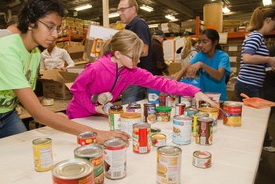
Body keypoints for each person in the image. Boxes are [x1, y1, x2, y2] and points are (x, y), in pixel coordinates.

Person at [0, 0, 129, 144]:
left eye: (58, 28)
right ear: (30, 22)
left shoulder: (34, 53)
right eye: (49, 27)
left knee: (23, 153)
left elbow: (27, 97)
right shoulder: (6, 51)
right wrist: (96, 134)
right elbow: (37, 114)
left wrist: (48, 114)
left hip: (7, 115)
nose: (55, 34)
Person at [66, 30, 217, 119]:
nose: (138, 61)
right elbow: (76, 89)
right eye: (134, 57)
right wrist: (92, 108)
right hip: (79, 115)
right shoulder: (96, 68)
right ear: (118, 54)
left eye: (139, 56)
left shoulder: (131, 72)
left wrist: (194, 91)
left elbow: (161, 83)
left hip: (99, 117)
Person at [234, 7, 275, 152]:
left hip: (251, 84)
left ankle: (252, 148)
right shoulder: (256, 37)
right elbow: (247, 58)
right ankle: (251, 149)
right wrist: (268, 58)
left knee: (253, 119)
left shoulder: (255, 37)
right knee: (255, 121)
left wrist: (269, 64)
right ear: (268, 20)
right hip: (249, 85)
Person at [174, 29, 231, 101]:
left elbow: (219, 76)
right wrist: (170, 87)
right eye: (200, 42)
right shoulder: (200, 55)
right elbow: (184, 70)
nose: (201, 45)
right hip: (204, 99)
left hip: (219, 99)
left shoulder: (223, 56)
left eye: (205, 42)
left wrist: (202, 65)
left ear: (215, 42)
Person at [117, 0, 152, 104]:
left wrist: (122, 57)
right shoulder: (129, 27)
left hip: (135, 79)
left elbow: (144, 50)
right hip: (130, 77)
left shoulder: (138, 24)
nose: (120, 13)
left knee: (130, 109)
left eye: (122, 9)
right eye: (119, 10)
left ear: (133, 9)